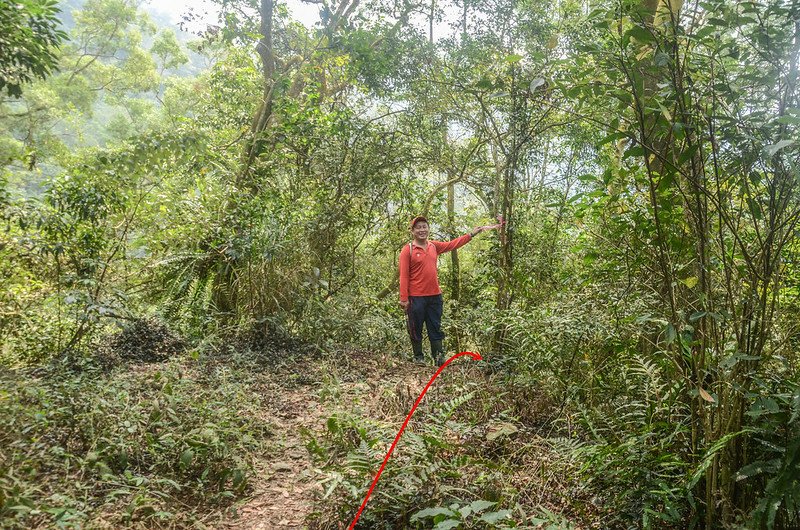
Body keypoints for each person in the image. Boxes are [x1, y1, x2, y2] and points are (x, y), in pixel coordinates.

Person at [399, 215, 501, 366]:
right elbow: (404, 276)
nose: (422, 230)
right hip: (416, 297)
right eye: (418, 227)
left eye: (424, 227)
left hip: (435, 296)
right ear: (413, 231)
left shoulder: (434, 246)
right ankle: (419, 357)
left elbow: (452, 244)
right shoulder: (408, 249)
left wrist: (471, 234)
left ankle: (439, 358)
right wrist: (404, 298)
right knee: (416, 328)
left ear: (428, 229)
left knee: (435, 327)